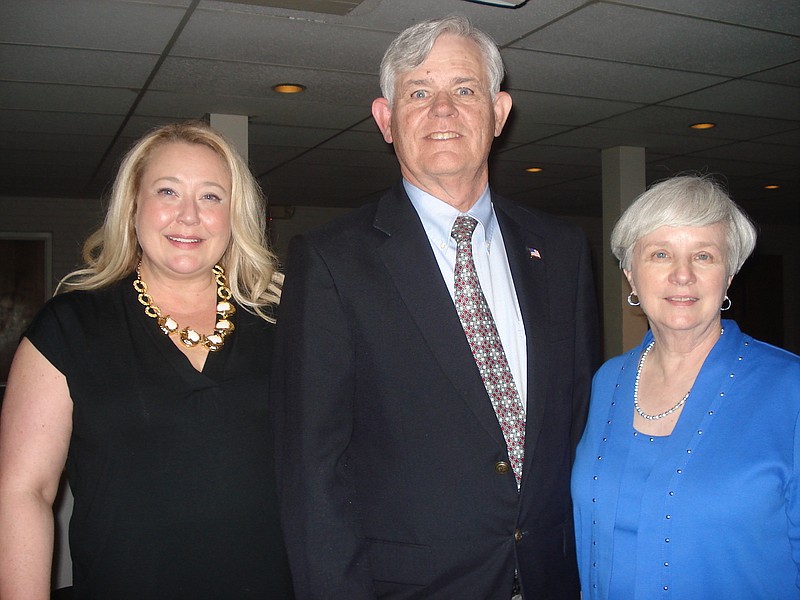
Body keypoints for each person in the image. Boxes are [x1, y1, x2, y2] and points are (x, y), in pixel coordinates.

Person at [273, 16, 600, 599]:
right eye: (419, 93)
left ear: (499, 114)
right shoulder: (331, 262)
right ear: (386, 120)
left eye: (464, 90)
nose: (442, 110)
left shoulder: (563, 249)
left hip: (554, 576)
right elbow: (312, 471)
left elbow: (576, 424)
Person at [0, 121, 294, 599]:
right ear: (134, 206)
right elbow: (24, 493)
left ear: (235, 215)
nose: (189, 216)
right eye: (168, 191)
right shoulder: (69, 327)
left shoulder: (286, 321)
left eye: (211, 197)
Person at [572, 175, 800, 598]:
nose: (682, 275)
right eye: (660, 254)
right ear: (630, 276)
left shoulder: (791, 389)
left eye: (704, 256)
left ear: (728, 276)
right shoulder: (607, 382)